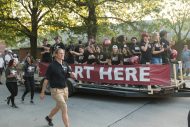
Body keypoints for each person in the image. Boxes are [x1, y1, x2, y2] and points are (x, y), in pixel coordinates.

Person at [40, 48, 75, 127]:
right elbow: (46, 80)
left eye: (63, 53)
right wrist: (42, 92)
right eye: (60, 53)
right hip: (56, 91)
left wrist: (72, 74)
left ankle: (49, 117)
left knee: (58, 106)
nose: (62, 55)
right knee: (64, 107)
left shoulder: (65, 64)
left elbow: (68, 73)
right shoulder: (52, 66)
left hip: (65, 89)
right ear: (56, 54)